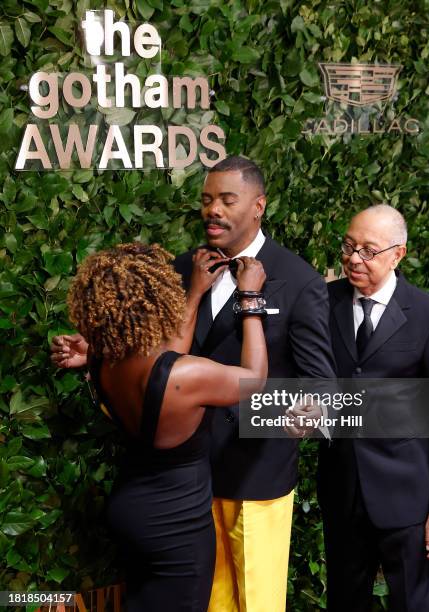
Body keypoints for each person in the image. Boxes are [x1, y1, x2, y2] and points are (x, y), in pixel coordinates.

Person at [52, 156, 337, 611]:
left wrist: (314, 411)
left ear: (258, 205)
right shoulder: (183, 267)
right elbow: (157, 355)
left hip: (255, 476)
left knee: (256, 604)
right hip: (187, 486)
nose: (214, 210)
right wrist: (101, 350)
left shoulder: (298, 280)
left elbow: (322, 383)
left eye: (227, 199)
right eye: (207, 200)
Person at [65, 241, 268, 612]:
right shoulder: (186, 375)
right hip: (176, 530)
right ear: (155, 300)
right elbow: (254, 381)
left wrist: (194, 292)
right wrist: (251, 298)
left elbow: (168, 353)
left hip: (132, 510)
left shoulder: (106, 359)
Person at [316, 204, 429, 612]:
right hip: (342, 490)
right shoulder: (321, 303)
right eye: (348, 246)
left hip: (409, 497)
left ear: (398, 254)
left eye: (368, 250)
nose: (353, 258)